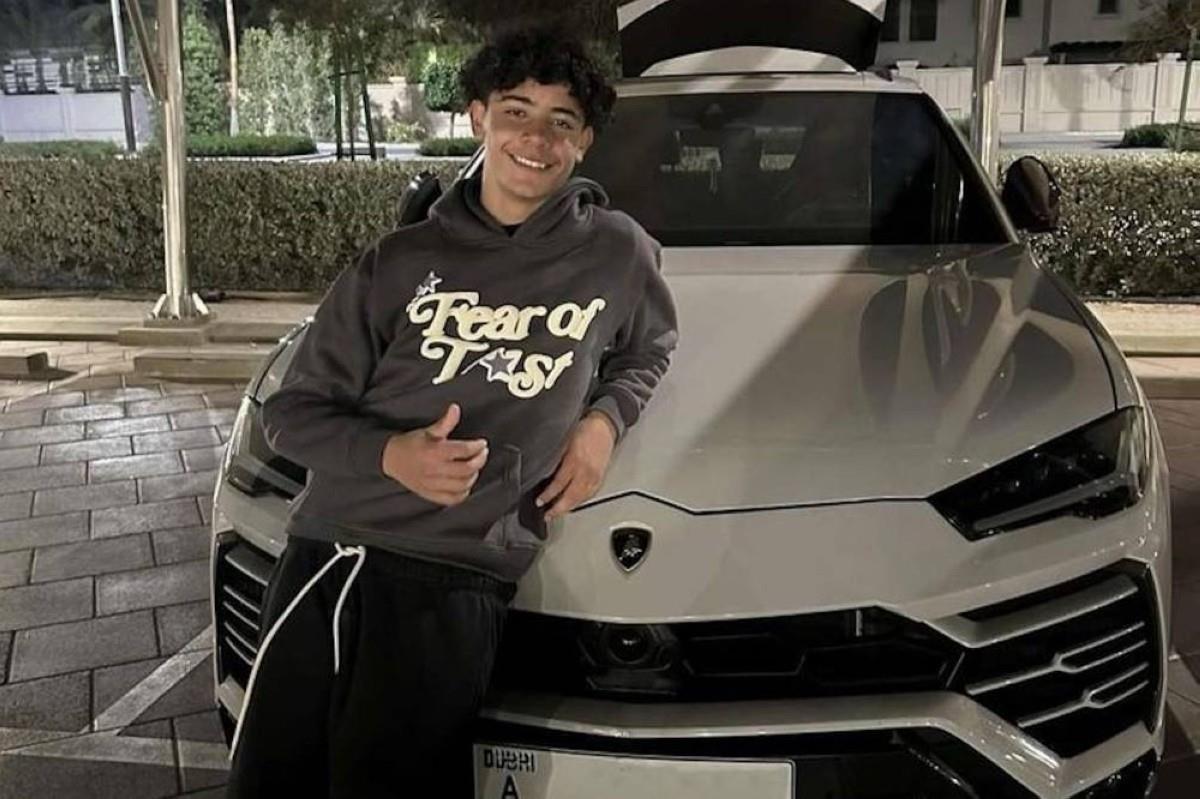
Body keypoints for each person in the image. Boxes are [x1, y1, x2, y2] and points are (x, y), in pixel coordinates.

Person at [224, 24, 679, 799]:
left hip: (460, 579)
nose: (536, 139)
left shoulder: (618, 253)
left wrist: (603, 423)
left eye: (561, 121)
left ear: (584, 141)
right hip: (333, 555)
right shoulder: (398, 262)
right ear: (478, 118)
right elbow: (291, 412)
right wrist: (390, 454)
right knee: (274, 783)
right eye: (515, 112)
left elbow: (650, 346)